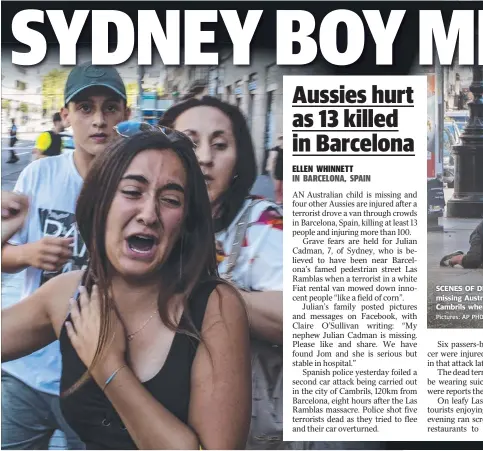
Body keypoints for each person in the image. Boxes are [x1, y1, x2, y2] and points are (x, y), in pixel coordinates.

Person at [2, 128, 252, 450]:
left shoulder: (215, 307)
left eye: (170, 200)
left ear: (185, 222)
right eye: (133, 192)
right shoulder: (69, 294)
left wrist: (109, 367)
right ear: (100, 203)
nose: (149, 214)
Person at [160, 97, 378, 451]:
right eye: (188, 142)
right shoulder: (154, 224)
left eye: (220, 145)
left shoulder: (263, 225)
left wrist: (207, 296)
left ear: (237, 162)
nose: (204, 157)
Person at [1, 61, 130, 450]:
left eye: (110, 108)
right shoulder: (39, 176)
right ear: (66, 116)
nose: (98, 120)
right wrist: (27, 253)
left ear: (125, 115)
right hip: (25, 369)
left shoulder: (135, 184)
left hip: (96, 377)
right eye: (85, 108)